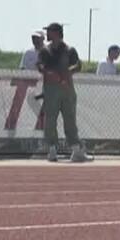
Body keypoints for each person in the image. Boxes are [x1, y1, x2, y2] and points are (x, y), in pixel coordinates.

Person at [38, 22, 90, 163]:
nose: (47, 34)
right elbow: (41, 66)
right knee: (50, 119)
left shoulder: (69, 50)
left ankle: (76, 150)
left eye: (49, 31)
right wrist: (51, 74)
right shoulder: (45, 51)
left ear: (57, 33)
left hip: (67, 87)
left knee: (70, 119)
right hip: (51, 88)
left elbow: (77, 65)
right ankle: (52, 149)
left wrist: (68, 72)